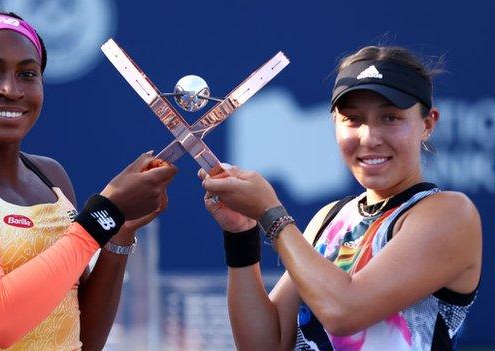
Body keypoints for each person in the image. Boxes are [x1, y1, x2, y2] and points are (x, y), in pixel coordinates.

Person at [0, 11, 177, 350]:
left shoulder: (51, 175)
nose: (11, 90)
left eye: (27, 74)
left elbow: (84, 338)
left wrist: (120, 230)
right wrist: (101, 217)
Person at [199, 46, 482, 350]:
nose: (369, 138)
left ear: (428, 123)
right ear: (333, 123)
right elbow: (264, 346)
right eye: (353, 119)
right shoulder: (330, 218)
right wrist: (241, 235)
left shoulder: (449, 213)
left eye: (390, 118)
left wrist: (271, 213)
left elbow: (343, 311)